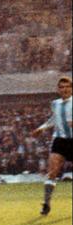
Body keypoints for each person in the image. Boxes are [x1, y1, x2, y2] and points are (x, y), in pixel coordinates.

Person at [32, 75, 72, 215]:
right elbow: (54, 119)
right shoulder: (55, 103)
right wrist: (42, 128)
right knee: (52, 172)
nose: (65, 89)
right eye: (62, 87)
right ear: (58, 90)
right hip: (60, 141)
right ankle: (46, 204)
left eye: (67, 87)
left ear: (71, 89)